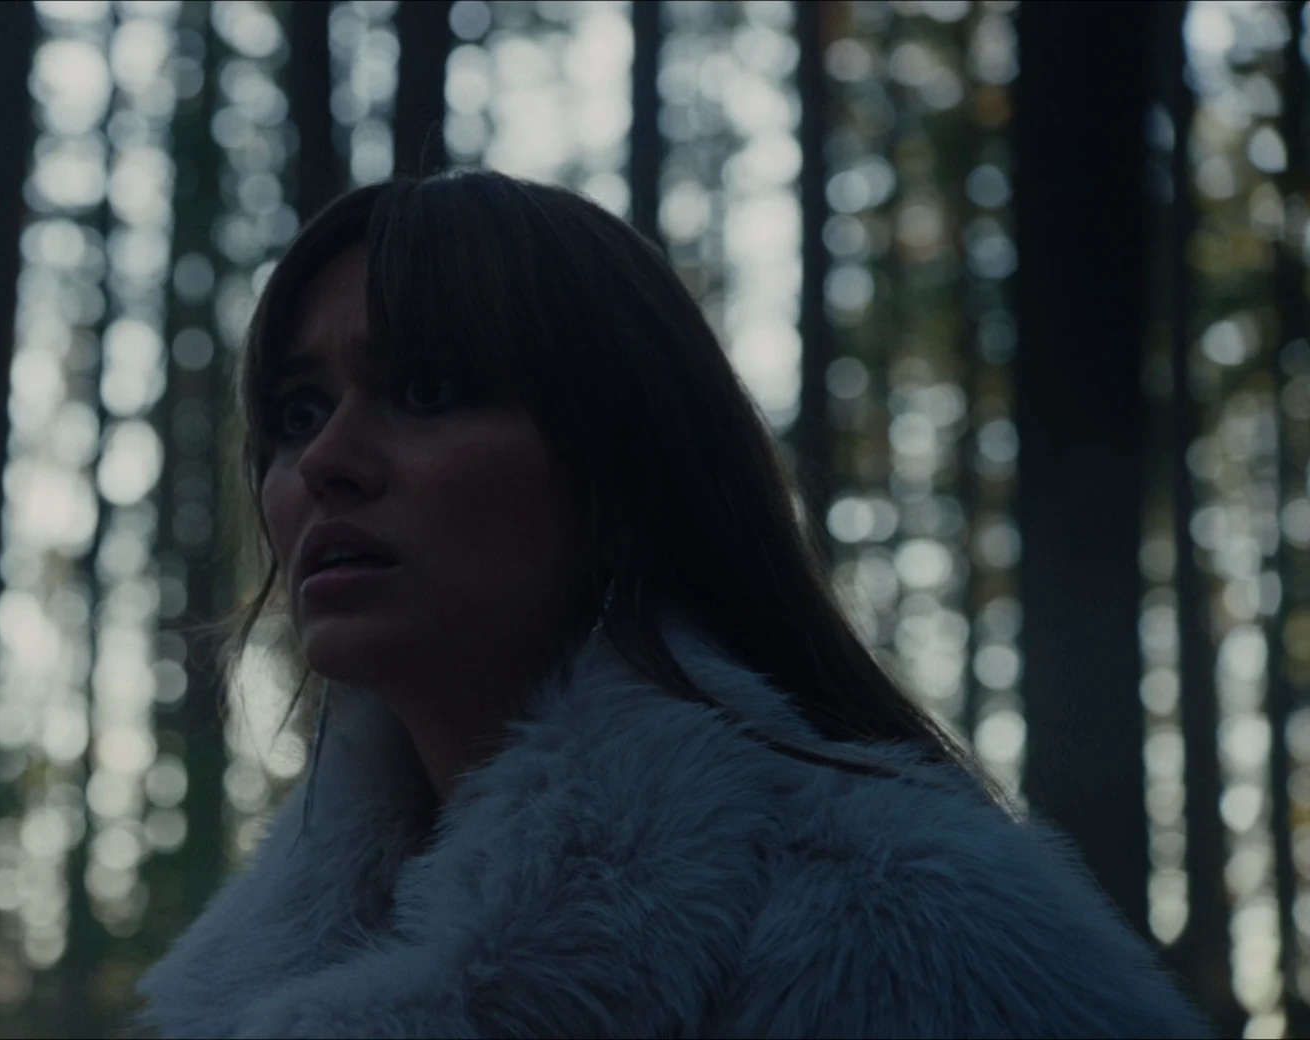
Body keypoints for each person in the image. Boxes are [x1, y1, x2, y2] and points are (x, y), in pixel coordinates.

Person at [130, 169, 1210, 1038]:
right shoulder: (248, 977)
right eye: (297, 411)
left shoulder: (914, 929)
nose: (324, 460)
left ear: (622, 465)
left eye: (425, 389)